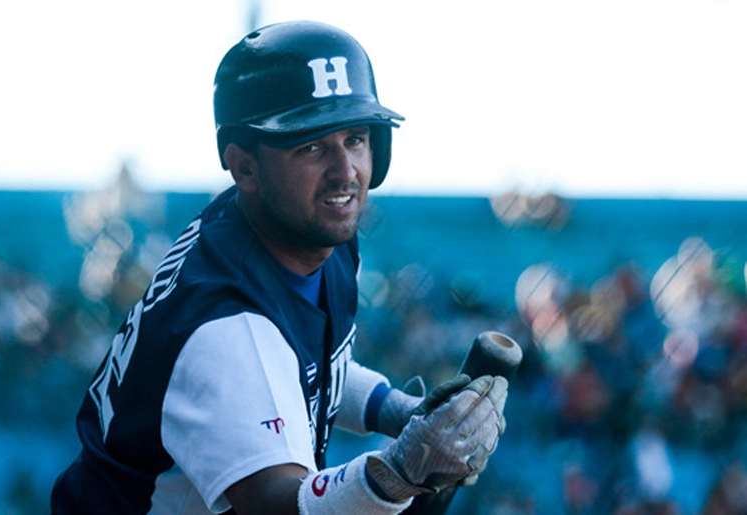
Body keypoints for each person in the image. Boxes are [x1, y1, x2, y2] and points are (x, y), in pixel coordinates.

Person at [50, 20, 508, 515]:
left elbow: (304, 372)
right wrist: (401, 470)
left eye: (355, 138)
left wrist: (397, 411)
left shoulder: (300, 235)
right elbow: (277, 507)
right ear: (244, 165)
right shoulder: (227, 329)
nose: (344, 172)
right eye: (310, 145)